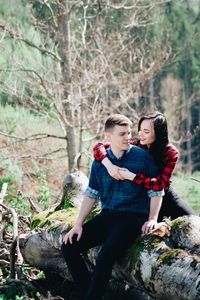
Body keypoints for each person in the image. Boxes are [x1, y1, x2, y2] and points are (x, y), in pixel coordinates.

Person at [61, 114, 164, 300]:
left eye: (129, 132)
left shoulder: (143, 158)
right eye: (122, 134)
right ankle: (88, 293)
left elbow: (156, 190)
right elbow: (91, 194)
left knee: (104, 257)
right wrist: (78, 225)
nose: (128, 137)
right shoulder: (100, 163)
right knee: (68, 247)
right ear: (108, 137)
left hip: (132, 217)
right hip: (107, 214)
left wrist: (152, 218)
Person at [93, 111, 196, 222]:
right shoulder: (135, 144)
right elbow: (99, 147)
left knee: (194, 221)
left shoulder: (170, 152)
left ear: (158, 133)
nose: (140, 134)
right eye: (140, 130)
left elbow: (160, 184)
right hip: (140, 199)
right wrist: (109, 166)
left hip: (164, 197)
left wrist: (131, 176)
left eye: (146, 131)